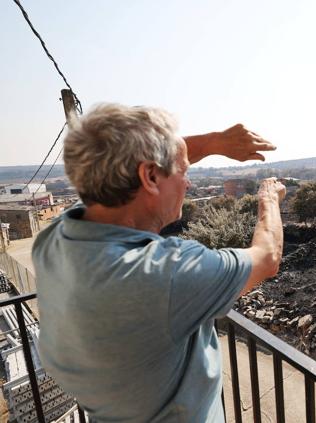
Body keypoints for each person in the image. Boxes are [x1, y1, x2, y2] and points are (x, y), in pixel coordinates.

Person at [32, 103, 285, 422]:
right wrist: (269, 198)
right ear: (150, 176)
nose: (188, 183)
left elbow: (117, 171)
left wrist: (211, 143)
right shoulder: (164, 274)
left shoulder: (55, 240)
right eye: (184, 171)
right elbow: (267, 256)